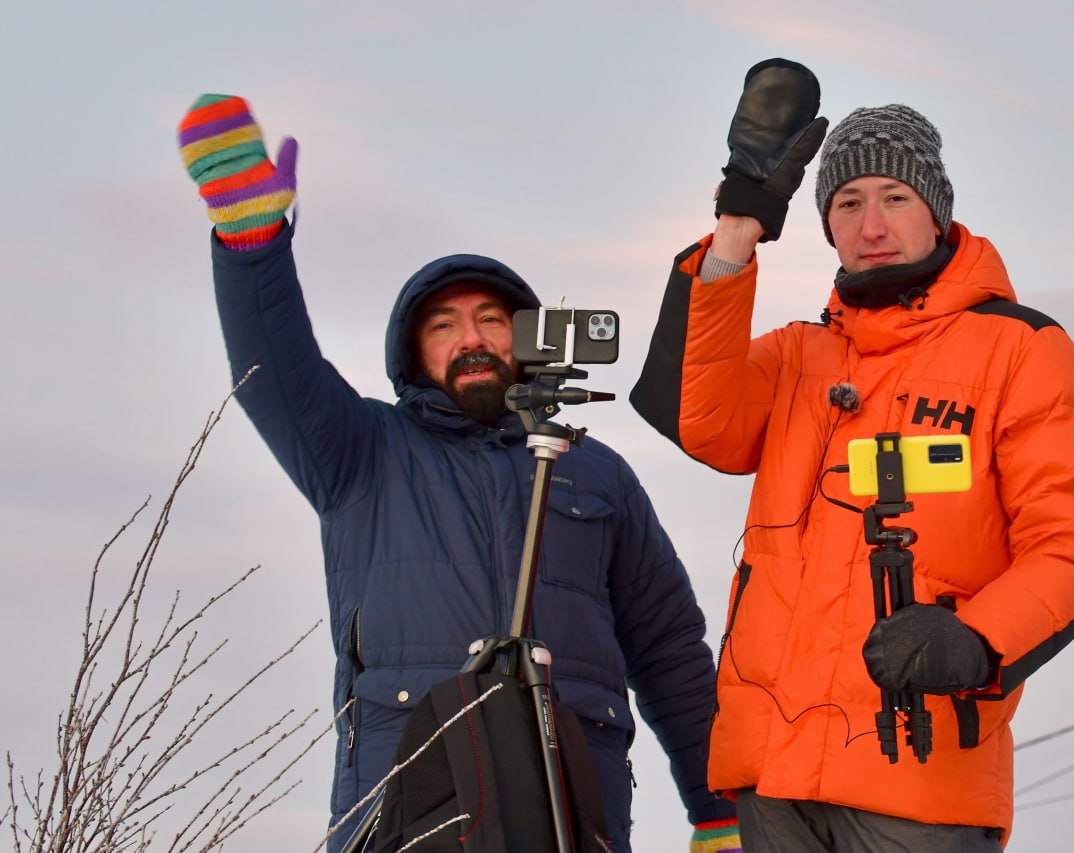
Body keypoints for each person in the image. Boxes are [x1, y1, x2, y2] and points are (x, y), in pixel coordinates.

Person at [176, 94, 740, 853]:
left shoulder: (597, 475)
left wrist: (718, 809)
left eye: (490, 320)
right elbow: (271, 369)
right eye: (443, 324)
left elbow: (670, 649)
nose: (470, 338)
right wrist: (253, 242)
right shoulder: (360, 451)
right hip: (410, 800)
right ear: (416, 351)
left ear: (525, 336)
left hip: (575, 801)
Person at [630, 59, 1074, 850]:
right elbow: (695, 412)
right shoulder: (797, 357)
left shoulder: (1022, 349)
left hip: (920, 777)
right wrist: (739, 221)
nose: (873, 225)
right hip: (772, 781)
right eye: (849, 203)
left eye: (895, 198)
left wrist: (979, 637)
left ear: (937, 213)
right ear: (827, 225)